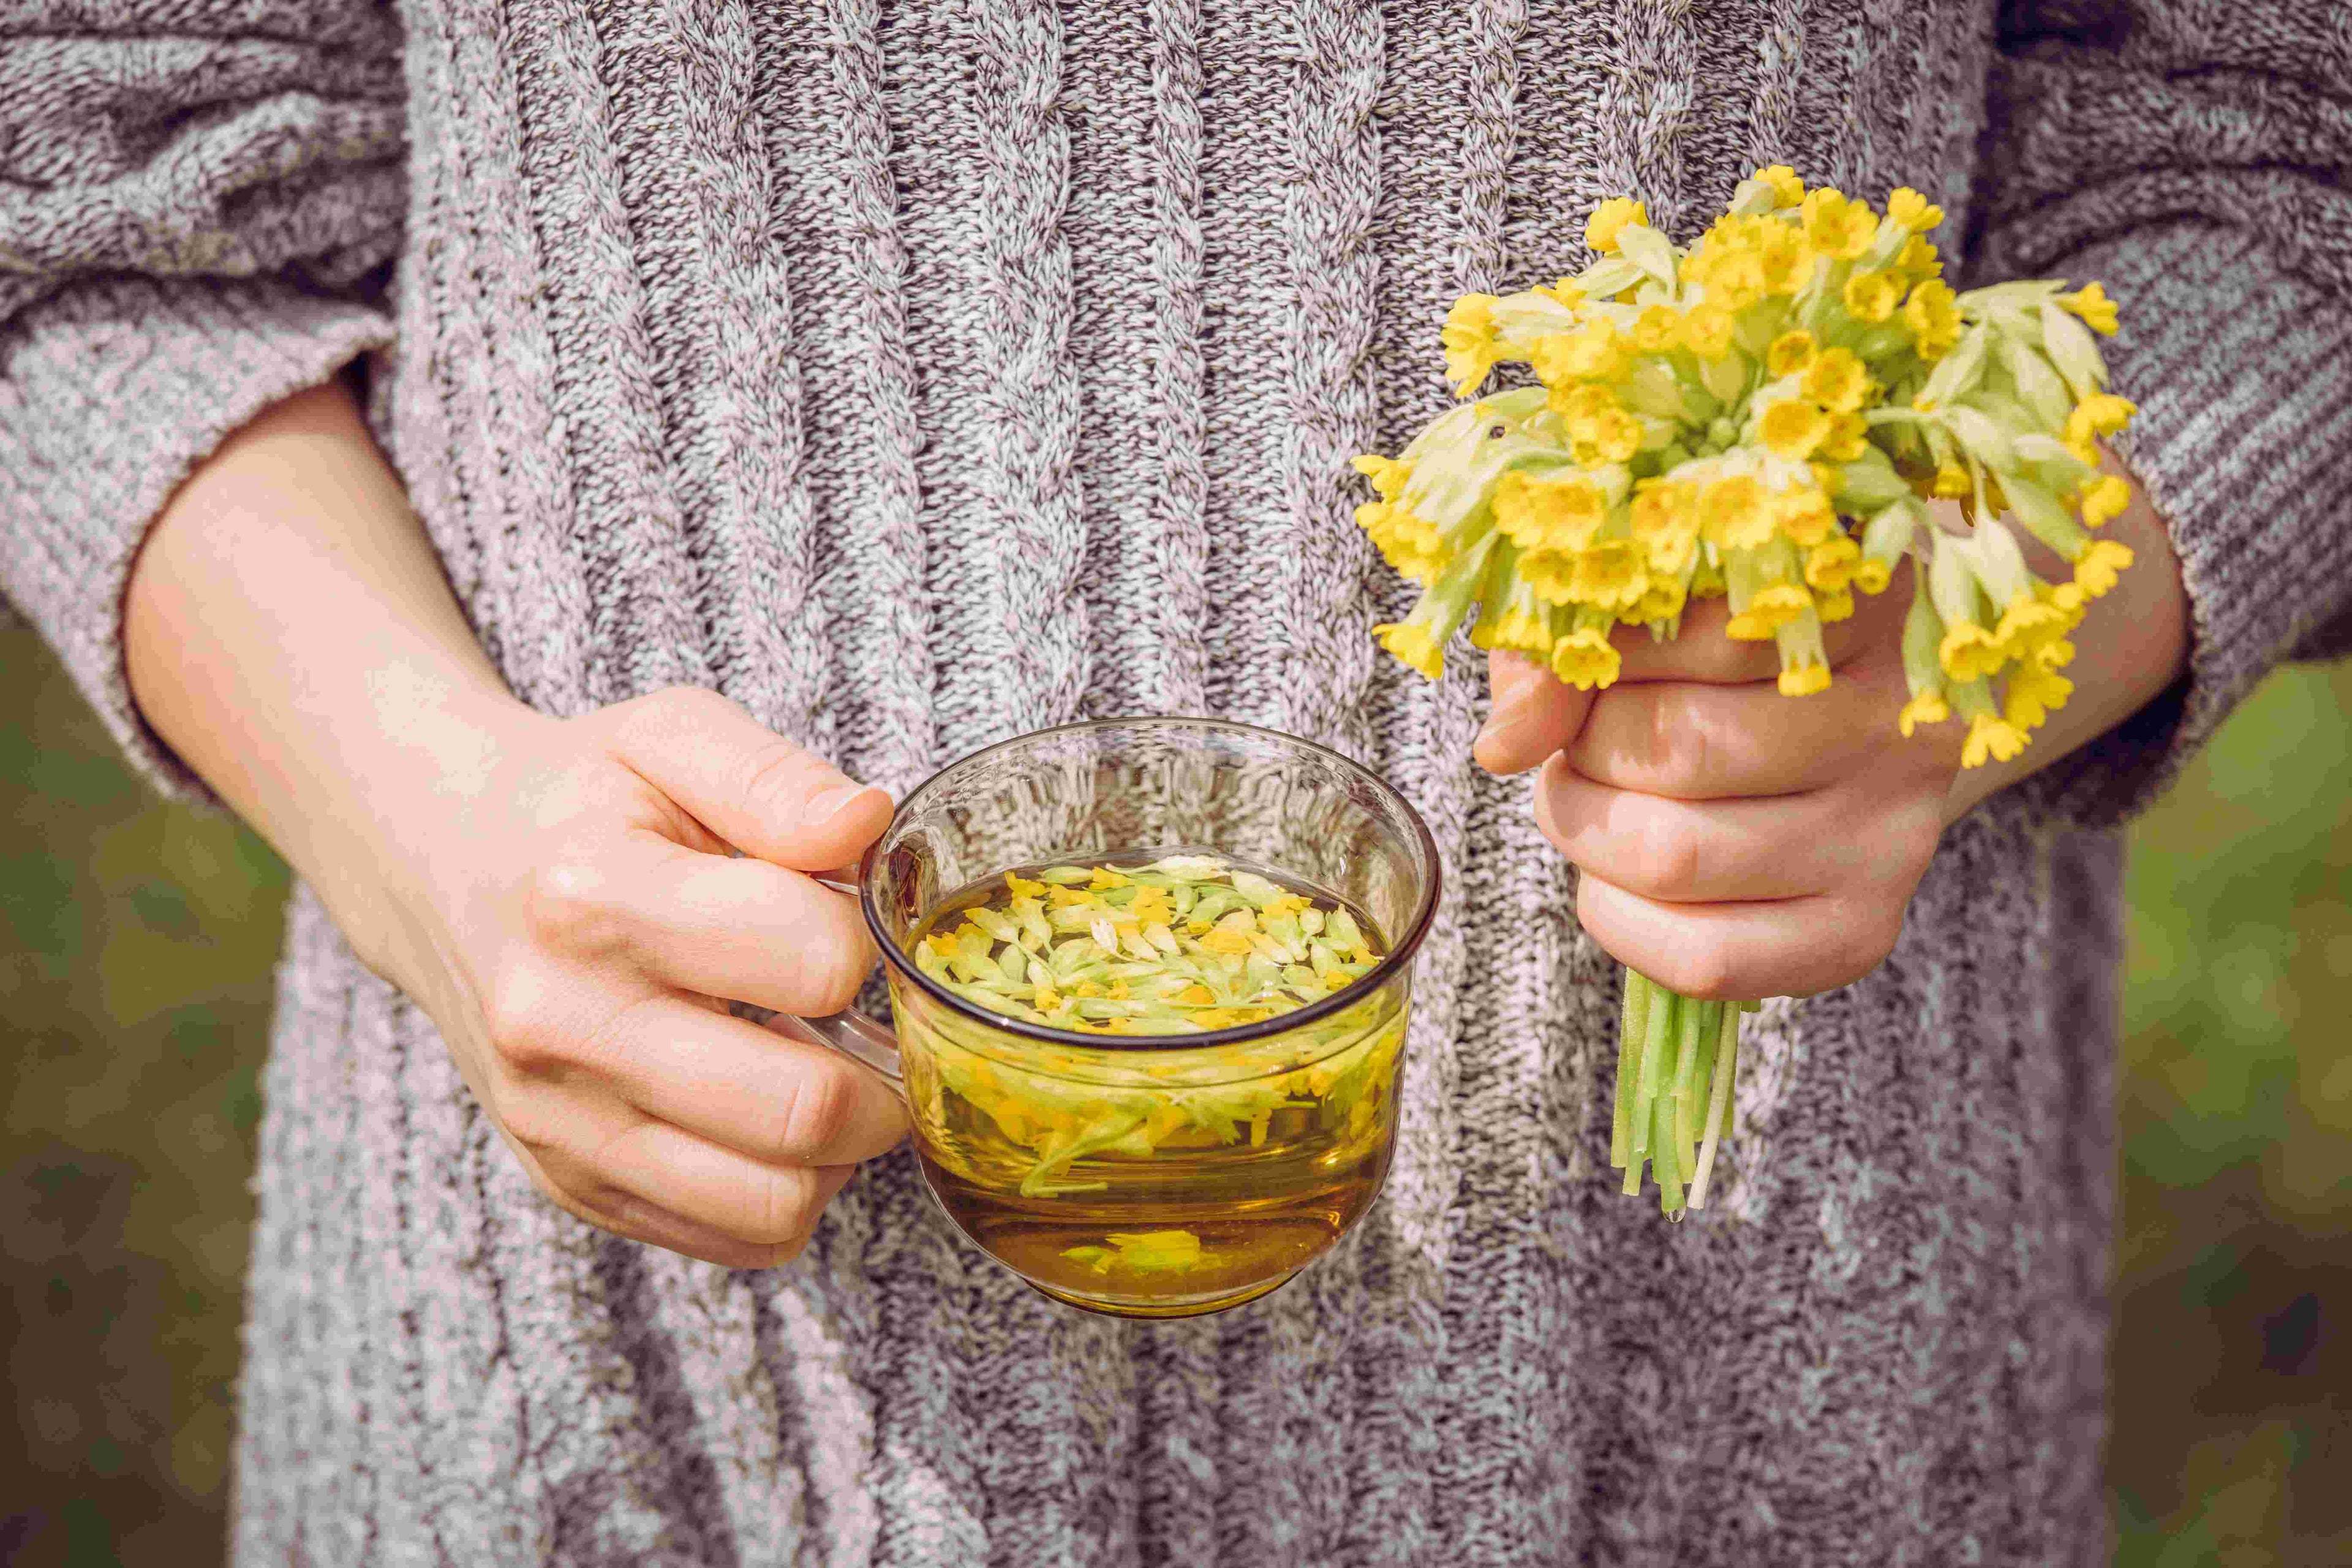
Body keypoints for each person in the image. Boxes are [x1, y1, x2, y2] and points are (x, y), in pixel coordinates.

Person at [3, 0, 2346, 1561]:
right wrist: (437, 829)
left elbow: (2288, 156)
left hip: (1723, 1388)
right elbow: (76, 167)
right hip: (623, 1392)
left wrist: (1997, 620)